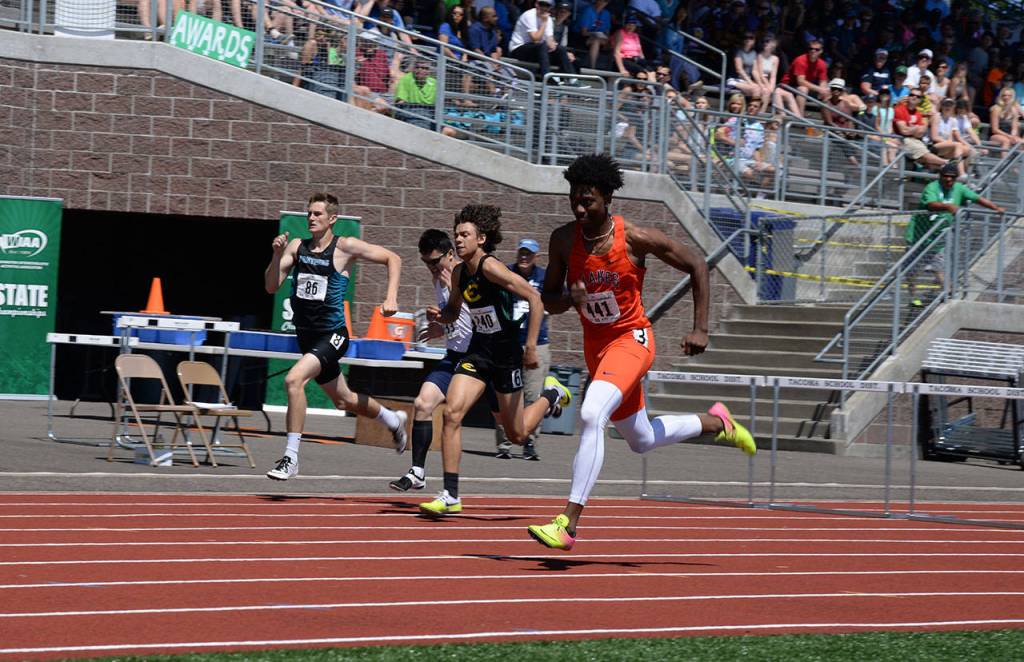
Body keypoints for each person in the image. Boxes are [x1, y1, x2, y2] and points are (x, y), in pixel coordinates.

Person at [525, 154, 756, 551]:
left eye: (589, 201)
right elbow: (549, 299)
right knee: (641, 439)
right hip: (597, 349)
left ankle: (568, 522)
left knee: (590, 413)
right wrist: (568, 296)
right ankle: (717, 423)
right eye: (574, 200)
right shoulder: (563, 240)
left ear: (608, 197)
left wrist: (700, 327)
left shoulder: (633, 237)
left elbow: (697, 264)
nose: (580, 208)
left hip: (632, 340)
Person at [419, 205, 572, 515]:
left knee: (517, 435)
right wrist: (441, 317)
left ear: (482, 238)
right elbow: (454, 310)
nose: (458, 240)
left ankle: (552, 394)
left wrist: (530, 346)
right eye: (456, 235)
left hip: (505, 354)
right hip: (478, 351)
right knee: (451, 413)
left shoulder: (492, 268)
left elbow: (535, 298)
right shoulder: (461, 273)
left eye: (465, 235)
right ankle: (451, 494)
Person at [264, 192, 407, 481]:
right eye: (309, 213)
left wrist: (390, 297)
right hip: (307, 336)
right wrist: (277, 255)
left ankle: (290, 458)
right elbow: (271, 287)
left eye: (317, 214)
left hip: (333, 335)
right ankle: (393, 419)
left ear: (332, 219)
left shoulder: (345, 247)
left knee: (294, 380)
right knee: (343, 399)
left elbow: (393, 258)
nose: (311, 218)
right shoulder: (296, 247)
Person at [389, 229, 500, 492]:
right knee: (423, 402)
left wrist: (451, 296)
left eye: (435, 262)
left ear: (450, 254)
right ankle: (417, 472)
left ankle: (550, 396)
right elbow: (457, 320)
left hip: (480, 358)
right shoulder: (438, 280)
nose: (431, 268)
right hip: (454, 357)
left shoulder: (464, 277)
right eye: (425, 262)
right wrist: (441, 326)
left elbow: (484, 319)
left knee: (514, 430)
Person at [907, 162, 1005, 306]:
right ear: (940, 176)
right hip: (918, 236)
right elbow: (931, 205)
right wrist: (948, 206)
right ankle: (913, 298)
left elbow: (977, 198)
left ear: (956, 178)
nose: (948, 180)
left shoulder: (959, 188)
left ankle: (949, 294)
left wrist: (995, 208)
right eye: (945, 176)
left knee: (939, 267)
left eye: (952, 177)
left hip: (937, 237)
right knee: (912, 272)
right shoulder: (932, 187)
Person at [494, 238, 551, 460]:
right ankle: (504, 443)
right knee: (506, 394)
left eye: (529, 253)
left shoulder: (543, 278)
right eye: (522, 253)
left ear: (536, 256)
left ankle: (530, 441)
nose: (524, 257)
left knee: (533, 394)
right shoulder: (506, 273)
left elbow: (558, 299)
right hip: (508, 343)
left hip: (537, 344)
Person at [508, 0, 577, 82]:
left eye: (547, 6)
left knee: (561, 49)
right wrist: (544, 23)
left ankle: (572, 79)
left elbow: (550, 41)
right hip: (518, 49)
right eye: (542, 4)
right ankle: (547, 77)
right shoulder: (529, 15)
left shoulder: (549, 19)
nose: (544, 8)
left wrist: (563, 52)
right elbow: (535, 38)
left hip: (537, 51)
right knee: (542, 45)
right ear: (536, 4)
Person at [894, 88, 947, 172]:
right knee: (925, 155)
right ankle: (947, 163)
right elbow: (903, 131)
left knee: (927, 158)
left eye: (917, 96)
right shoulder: (900, 109)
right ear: (908, 97)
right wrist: (915, 128)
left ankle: (945, 167)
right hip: (902, 140)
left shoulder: (918, 113)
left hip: (915, 140)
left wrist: (912, 129)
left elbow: (920, 133)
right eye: (912, 95)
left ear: (920, 100)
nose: (914, 97)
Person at [780, 39, 829, 116]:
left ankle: (826, 122)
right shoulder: (800, 60)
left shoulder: (822, 64)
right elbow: (800, 81)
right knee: (803, 89)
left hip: (804, 87)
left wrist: (823, 90)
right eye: (811, 49)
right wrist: (819, 89)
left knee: (827, 92)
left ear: (821, 51)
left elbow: (823, 81)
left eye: (817, 49)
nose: (813, 51)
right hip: (788, 86)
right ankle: (800, 117)